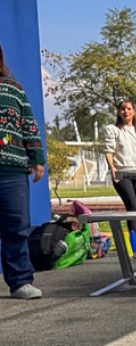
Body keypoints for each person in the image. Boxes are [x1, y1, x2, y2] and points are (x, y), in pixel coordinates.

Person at [0, 42, 45, 300]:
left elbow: (29, 125)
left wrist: (37, 158)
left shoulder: (14, 89)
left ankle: (20, 282)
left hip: (12, 170)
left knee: (16, 227)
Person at [103, 100, 136, 252]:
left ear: (134, 111)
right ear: (118, 112)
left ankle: (134, 236)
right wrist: (112, 168)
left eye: (129, 109)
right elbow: (109, 150)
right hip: (122, 173)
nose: (126, 112)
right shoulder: (112, 129)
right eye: (122, 109)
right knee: (132, 207)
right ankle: (135, 245)